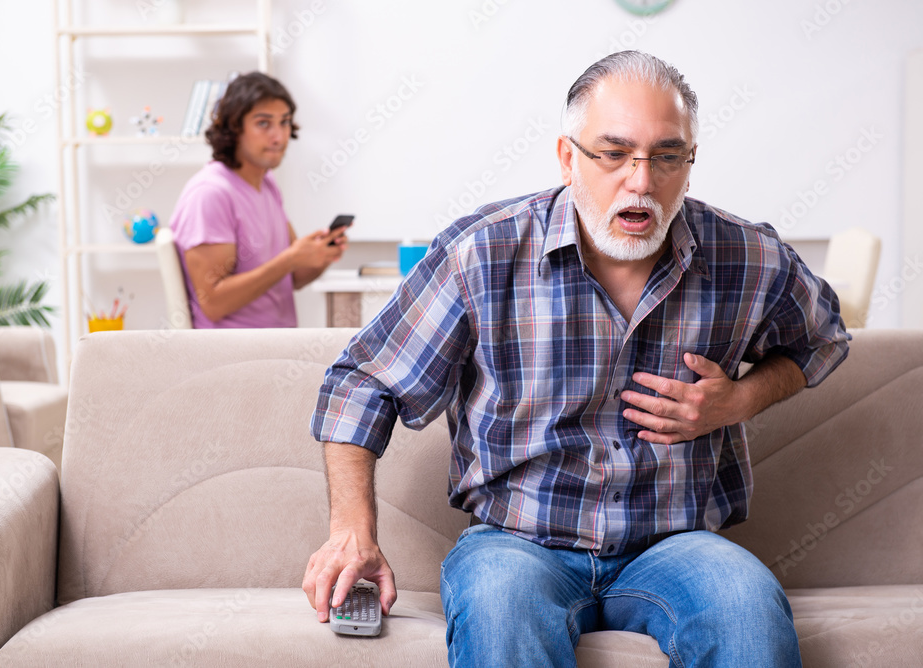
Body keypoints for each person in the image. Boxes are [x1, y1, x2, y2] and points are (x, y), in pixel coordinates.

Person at [303, 51, 850, 667]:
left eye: (667, 155)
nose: (641, 181)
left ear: (689, 165)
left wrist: (741, 399)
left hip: (675, 546)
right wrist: (351, 530)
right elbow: (362, 384)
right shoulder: (483, 252)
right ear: (569, 157)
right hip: (517, 543)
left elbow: (824, 338)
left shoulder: (748, 256)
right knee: (501, 613)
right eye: (613, 154)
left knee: (749, 613)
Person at [168, 72, 347, 328]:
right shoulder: (210, 194)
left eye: (285, 122)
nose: (279, 137)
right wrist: (290, 259)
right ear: (234, 128)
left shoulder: (266, 183)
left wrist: (321, 255)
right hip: (236, 354)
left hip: (274, 346)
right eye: (264, 123)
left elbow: (292, 275)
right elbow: (214, 303)